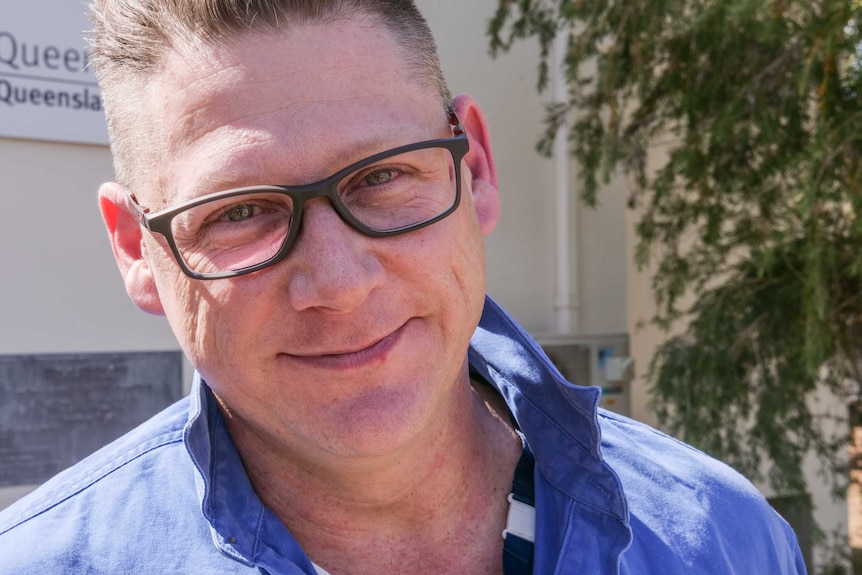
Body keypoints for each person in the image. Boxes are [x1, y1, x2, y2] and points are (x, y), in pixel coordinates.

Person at [0, 1, 807, 573]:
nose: (339, 284)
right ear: (137, 249)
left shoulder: (724, 540)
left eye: (383, 175)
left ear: (477, 168)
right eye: (240, 211)